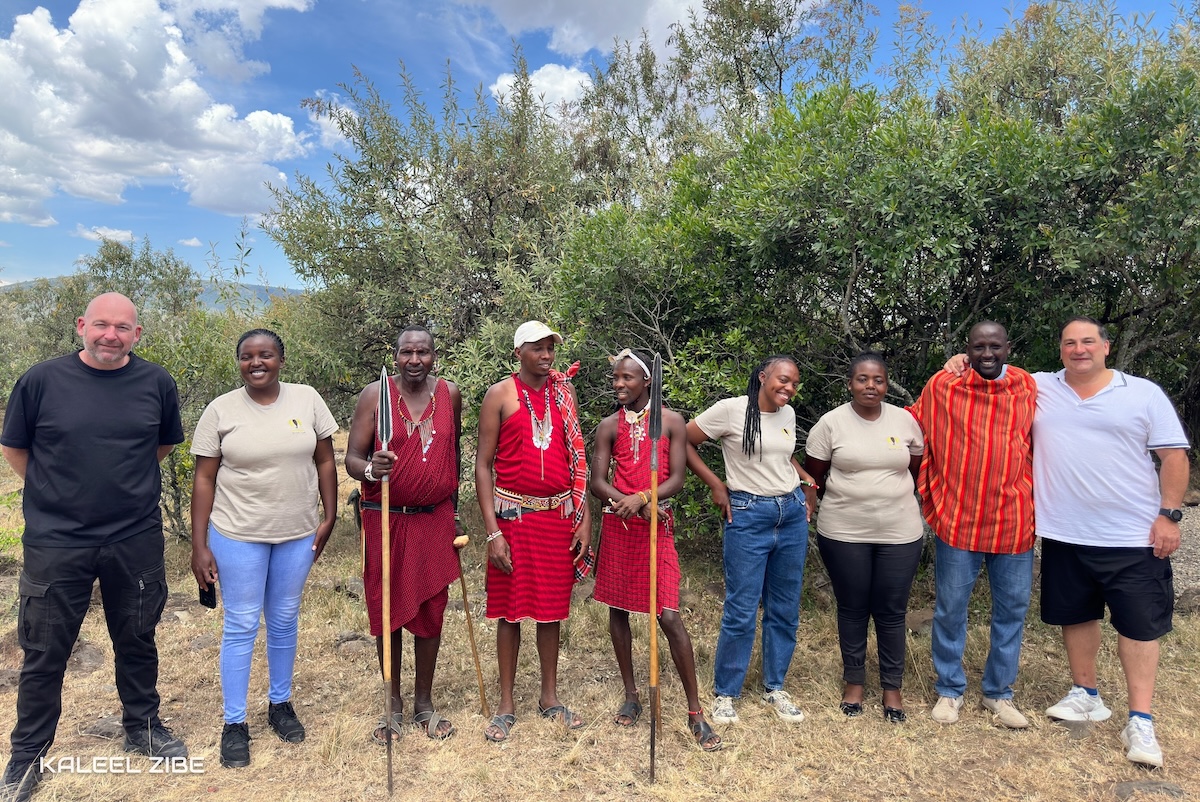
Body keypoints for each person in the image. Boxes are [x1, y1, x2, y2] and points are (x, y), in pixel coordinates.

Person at [1, 293, 187, 802]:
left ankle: (143, 727)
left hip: (134, 536)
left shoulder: (156, 383)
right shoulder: (41, 381)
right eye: (101, 324)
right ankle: (27, 756)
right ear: (82, 325)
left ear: (137, 334)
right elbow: (16, 448)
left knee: (138, 636)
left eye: (122, 327)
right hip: (57, 542)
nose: (111, 335)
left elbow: (161, 446)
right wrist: (58, 496)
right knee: (43, 651)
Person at [1033, 317, 1189, 768]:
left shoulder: (1141, 393)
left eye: (1087, 341)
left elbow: (1173, 456)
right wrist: (960, 359)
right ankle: (1086, 694)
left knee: (1139, 627)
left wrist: (1169, 515)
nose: (1078, 349)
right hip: (1064, 532)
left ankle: (1141, 719)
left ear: (1106, 345)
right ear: (1060, 349)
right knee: (1077, 616)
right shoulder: (1041, 386)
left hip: (1132, 536)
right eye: (1069, 343)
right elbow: (990, 367)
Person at [189, 329, 338, 768]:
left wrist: (329, 515)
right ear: (238, 362)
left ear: (281, 359)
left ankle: (280, 704)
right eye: (247, 357)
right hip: (237, 533)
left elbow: (325, 459)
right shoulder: (220, 410)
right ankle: (234, 723)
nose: (257, 363)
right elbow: (203, 478)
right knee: (240, 624)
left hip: (297, 533)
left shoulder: (307, 399)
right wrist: (199, 545)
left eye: (266, 355)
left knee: (285, 618)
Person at [590, 348, 721, 751]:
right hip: (619, 524)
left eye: (627, 378)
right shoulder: (608, 425)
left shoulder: (673, 422)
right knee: (619, 609)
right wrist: (624, 501)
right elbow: (597, 481)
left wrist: (644, 498)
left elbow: (678, 478)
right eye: (615, 378)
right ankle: (631, 695)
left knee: (667, 615)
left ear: (647, 381)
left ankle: (695, 711)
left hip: (656, 523)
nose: (619, 384)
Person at [908, 321, 1037, 729]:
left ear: (1008, 347)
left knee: (1012, 611)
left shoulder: (1028, 386)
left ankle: (999, 693)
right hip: (959, 517)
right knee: (950, 609)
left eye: (994, 346)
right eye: (977, 347)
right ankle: (950, 689)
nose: (986, 354)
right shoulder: (945, 385)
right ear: (966, 349)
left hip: (1014, 520)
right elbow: (911, 422)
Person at [345, 325, 464, 743]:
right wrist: (370, 469)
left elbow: (454, 456)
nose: (415, 360)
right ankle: (392, 702)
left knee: (432, 606)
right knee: (387, 606)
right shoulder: (374, 395)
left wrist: (454, 510)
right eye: (406, 353)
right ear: (395, 355)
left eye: (423, 353)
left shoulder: (449, 395)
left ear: (434, 355)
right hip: (386, 516)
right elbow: (353, 458)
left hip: (434, 517)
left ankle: (424, 702)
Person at [686, 355, 818, 726]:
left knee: (785, 607)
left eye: (794, 383)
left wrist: (806, 480)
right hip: (747, 514)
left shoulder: (787, 414)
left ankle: (775, 687)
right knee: (742, 608)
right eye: (782, 380)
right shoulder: (731, 410)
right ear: (763, 377)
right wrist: (716, 485)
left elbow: (783, 456)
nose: (788, 388)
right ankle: (726, 692)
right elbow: (682, 439)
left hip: (790, 515)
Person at [476, 321, 592, 742]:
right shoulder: (500, 395)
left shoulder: (565, 392)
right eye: (538, 349)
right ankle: (506, 704)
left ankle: (549, 696)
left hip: (556, 515)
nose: (546, 356)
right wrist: (493, 532)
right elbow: (483, 466)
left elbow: (577, 458)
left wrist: (584, 518)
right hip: (513, 518)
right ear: (518, 353)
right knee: (510, 610)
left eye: (550, 349)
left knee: (552, 608)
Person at [803, 353, 924, 723]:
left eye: (878, 380)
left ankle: (892, 688)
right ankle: (853, 682)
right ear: (850, 383)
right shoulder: (831, 423)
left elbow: (916, 469)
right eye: (862, 379)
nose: (870, 386)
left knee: (891, 611)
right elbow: (815, 476)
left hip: (900, 532)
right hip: (844, 532)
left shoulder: (905, 421)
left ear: (887, 384)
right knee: (853, 608)